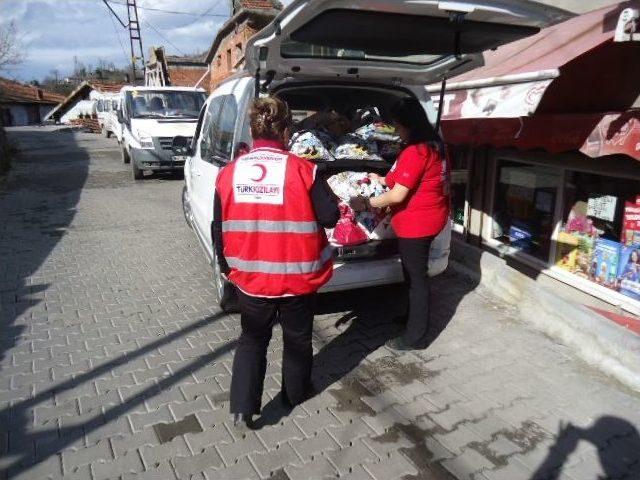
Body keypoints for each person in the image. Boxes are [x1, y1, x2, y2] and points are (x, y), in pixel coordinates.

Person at [213, 96, 339, 428]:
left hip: (252, 280)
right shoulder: (303, 170)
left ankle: (242, 406)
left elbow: (218, 227)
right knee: (297, 338)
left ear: (254, 132)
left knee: (252, 339)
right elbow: (329, 217)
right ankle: (294, 394)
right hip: (297, 278)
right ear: (284, 132)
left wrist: (228, 269)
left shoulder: (228, 173)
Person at [350, 97, 450, 351]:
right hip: (431, 217)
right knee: (412, 275)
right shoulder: (434, 146)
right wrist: (380, 178)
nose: (396, 130)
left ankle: (415, 337)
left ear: (410, 124)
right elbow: (402, 180)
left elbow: (397, 195)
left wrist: (366, 203)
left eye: (398, 125)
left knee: (417, 280)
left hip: (419, 224)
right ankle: (412, 319)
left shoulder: (416, 151)